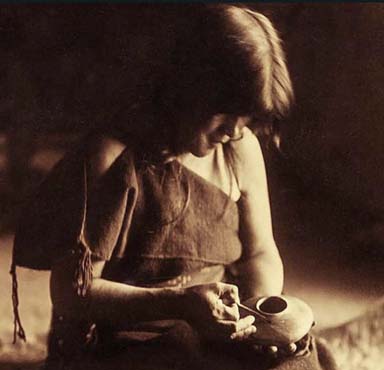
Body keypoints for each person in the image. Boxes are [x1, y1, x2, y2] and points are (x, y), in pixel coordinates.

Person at [11, 4, 338, 370]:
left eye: (247, 118)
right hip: (127, 333)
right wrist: (179, 302)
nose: (234, 129)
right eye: (226, 111)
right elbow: (73, 294)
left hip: (211, 324)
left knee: (301, 355)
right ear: (189, 88)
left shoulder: (239, 148)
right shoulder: (113, 157)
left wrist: (258, 319)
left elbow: (261, 253)